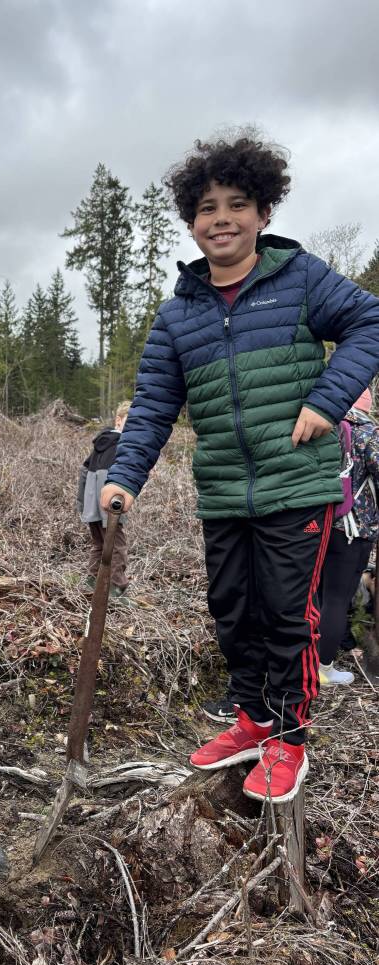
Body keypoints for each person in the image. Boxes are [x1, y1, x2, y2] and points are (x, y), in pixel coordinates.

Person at [100, 133, 379, 803]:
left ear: (262, 213)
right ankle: (253, 721)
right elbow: (152, 409)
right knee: (232, 611)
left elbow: (370, 323)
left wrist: (325, 398)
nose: (219, 218)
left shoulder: (300, 279)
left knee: (288, 612)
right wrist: (123, 476)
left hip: (296, 484)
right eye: (205, 207)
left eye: (236, 204)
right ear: (190, 221)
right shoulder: (176, 316)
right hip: (224, 490)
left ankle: (288, 738)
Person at [318, 388, 379, 684]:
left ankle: (304, 656)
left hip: (317, 524)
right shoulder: (367, 433)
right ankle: (323, 669)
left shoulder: (321, 424)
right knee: (337, 599)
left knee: (316, 592)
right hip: (355, 528)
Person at [77, 400, 131, 602]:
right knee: (117, 546)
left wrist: (83, 507)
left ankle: (91, 582)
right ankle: (116, 589)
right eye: (130, 422)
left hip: (92, 509)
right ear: (119, 420)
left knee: (99, 544)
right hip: (110, 510)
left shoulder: (100, 444)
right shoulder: (120, 445)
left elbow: (83, 474)